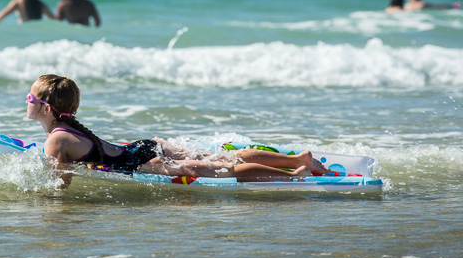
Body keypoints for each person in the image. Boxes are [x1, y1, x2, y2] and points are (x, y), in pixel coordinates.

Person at [26, 74, 328, 188]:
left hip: (142, 163)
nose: (27, 101)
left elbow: (60, 188)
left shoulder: (55, 140)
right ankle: (297, 158)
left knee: (221, 169)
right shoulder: (66, 131)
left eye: (31, 98)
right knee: (221, 157)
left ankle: (295, 175)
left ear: (46, 109)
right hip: (142, 147)